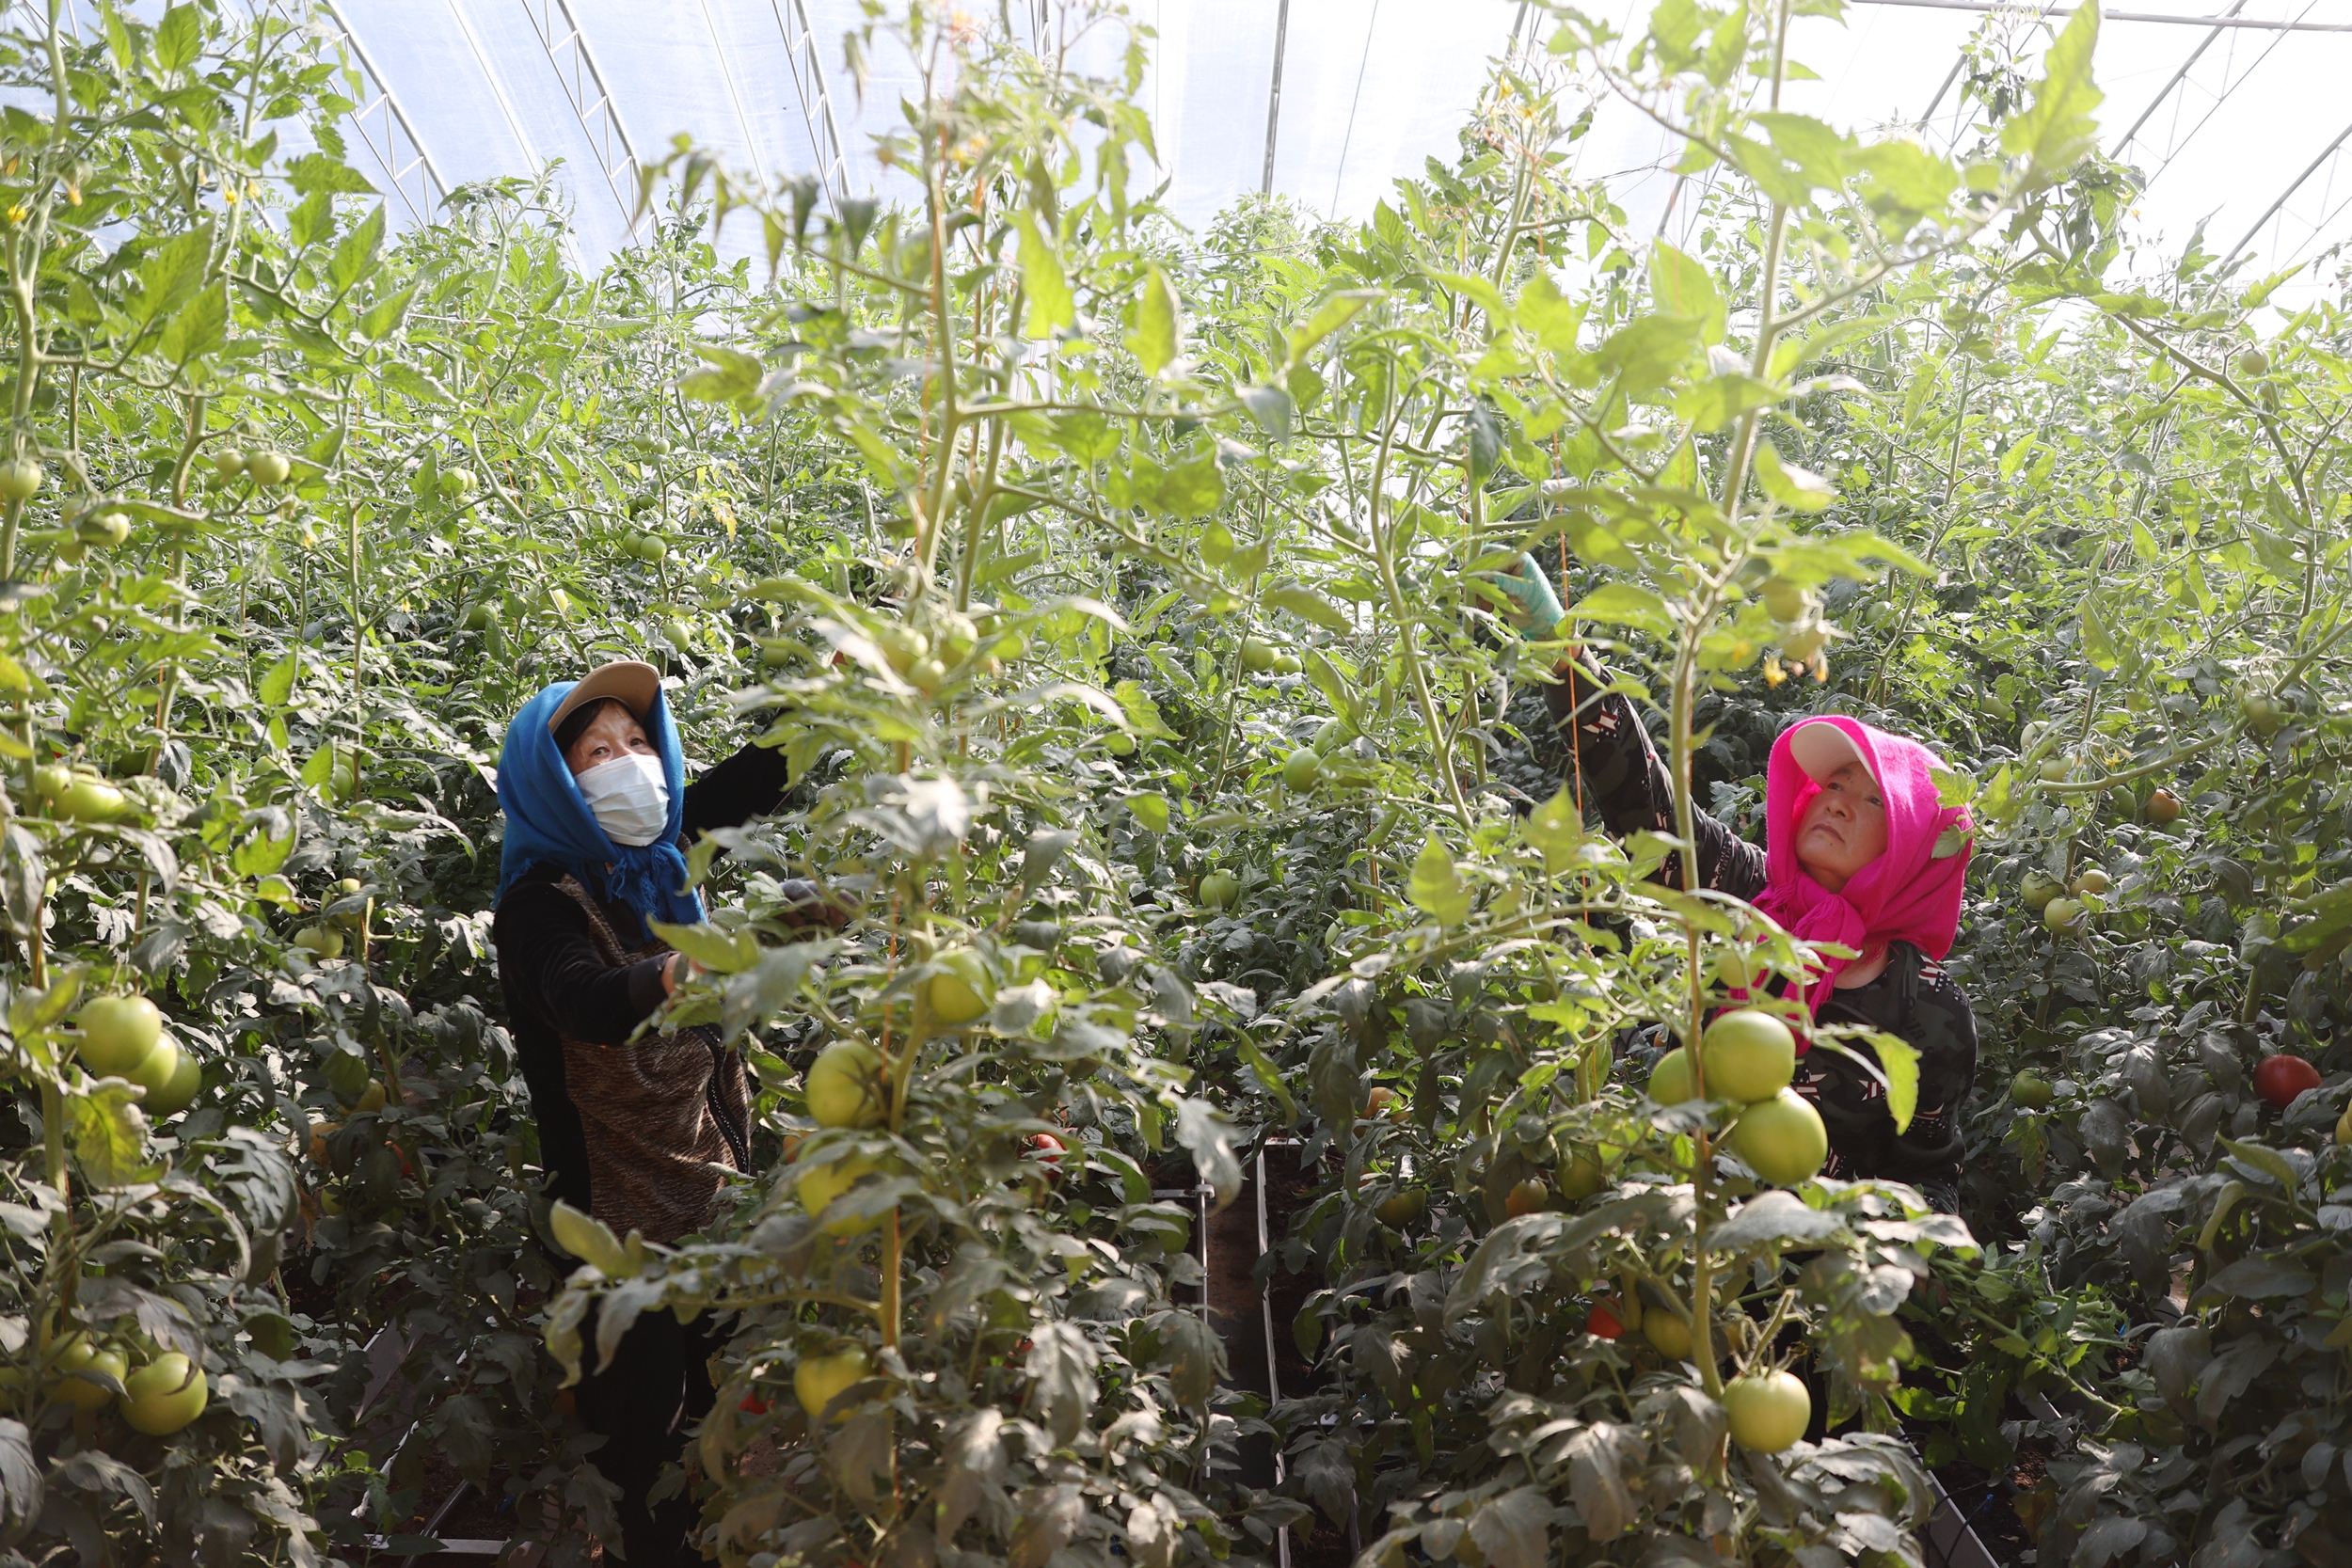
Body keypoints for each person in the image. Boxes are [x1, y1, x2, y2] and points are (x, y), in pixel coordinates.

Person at [1496, 555, 1979, 1213]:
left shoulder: (1930, 1007)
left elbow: (1931, 1173)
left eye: (1873, 801)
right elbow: (1653, 813)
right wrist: (1567, 657)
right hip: (1679, 1233)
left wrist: (1877, 1246)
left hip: (1816, 1264)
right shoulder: (1749, 890)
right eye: (1833, 784)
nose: (1836, 803)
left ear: (1914, 854)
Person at [492, 659, 813, 1565]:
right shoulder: (537, 905)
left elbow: (747, 785)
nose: (630, 763)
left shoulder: (661, 861)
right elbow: (586, 999)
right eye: (598, 752)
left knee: (712, 1419)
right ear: (552, 781)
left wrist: (827, 695)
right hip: (617, 1224)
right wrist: (685, 965)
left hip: (705, 1190)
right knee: (646, 1446)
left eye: (639, 742)